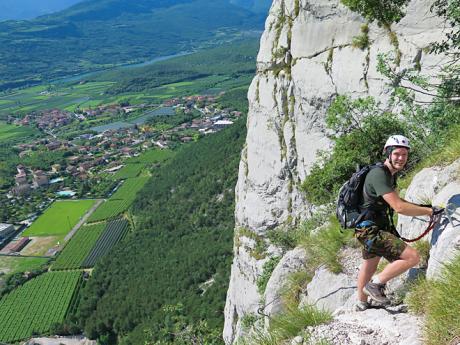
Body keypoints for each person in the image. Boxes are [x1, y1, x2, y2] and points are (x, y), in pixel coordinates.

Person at [354, 135, 443, 310]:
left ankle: (361, 303)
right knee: (412, 257)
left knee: (370, 264)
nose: (401, 158)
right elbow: (398, 207)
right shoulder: (379, 174)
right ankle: (375, 285)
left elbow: (394, 198)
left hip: (367, 228)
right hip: (372, 230)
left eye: (404, 154)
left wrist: (420, 207)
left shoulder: (388, 174)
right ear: (388, 153)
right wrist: (429, 211)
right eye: (396, 154)